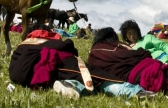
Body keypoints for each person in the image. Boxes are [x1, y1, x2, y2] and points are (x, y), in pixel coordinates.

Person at [8, 24, 144, 99]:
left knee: (74, 76)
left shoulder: (22, 46)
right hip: (45, 66)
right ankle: (133, 92)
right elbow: (66, 46)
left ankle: (71, 85)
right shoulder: (45, 38)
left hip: (22, 76)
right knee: (95, 76)